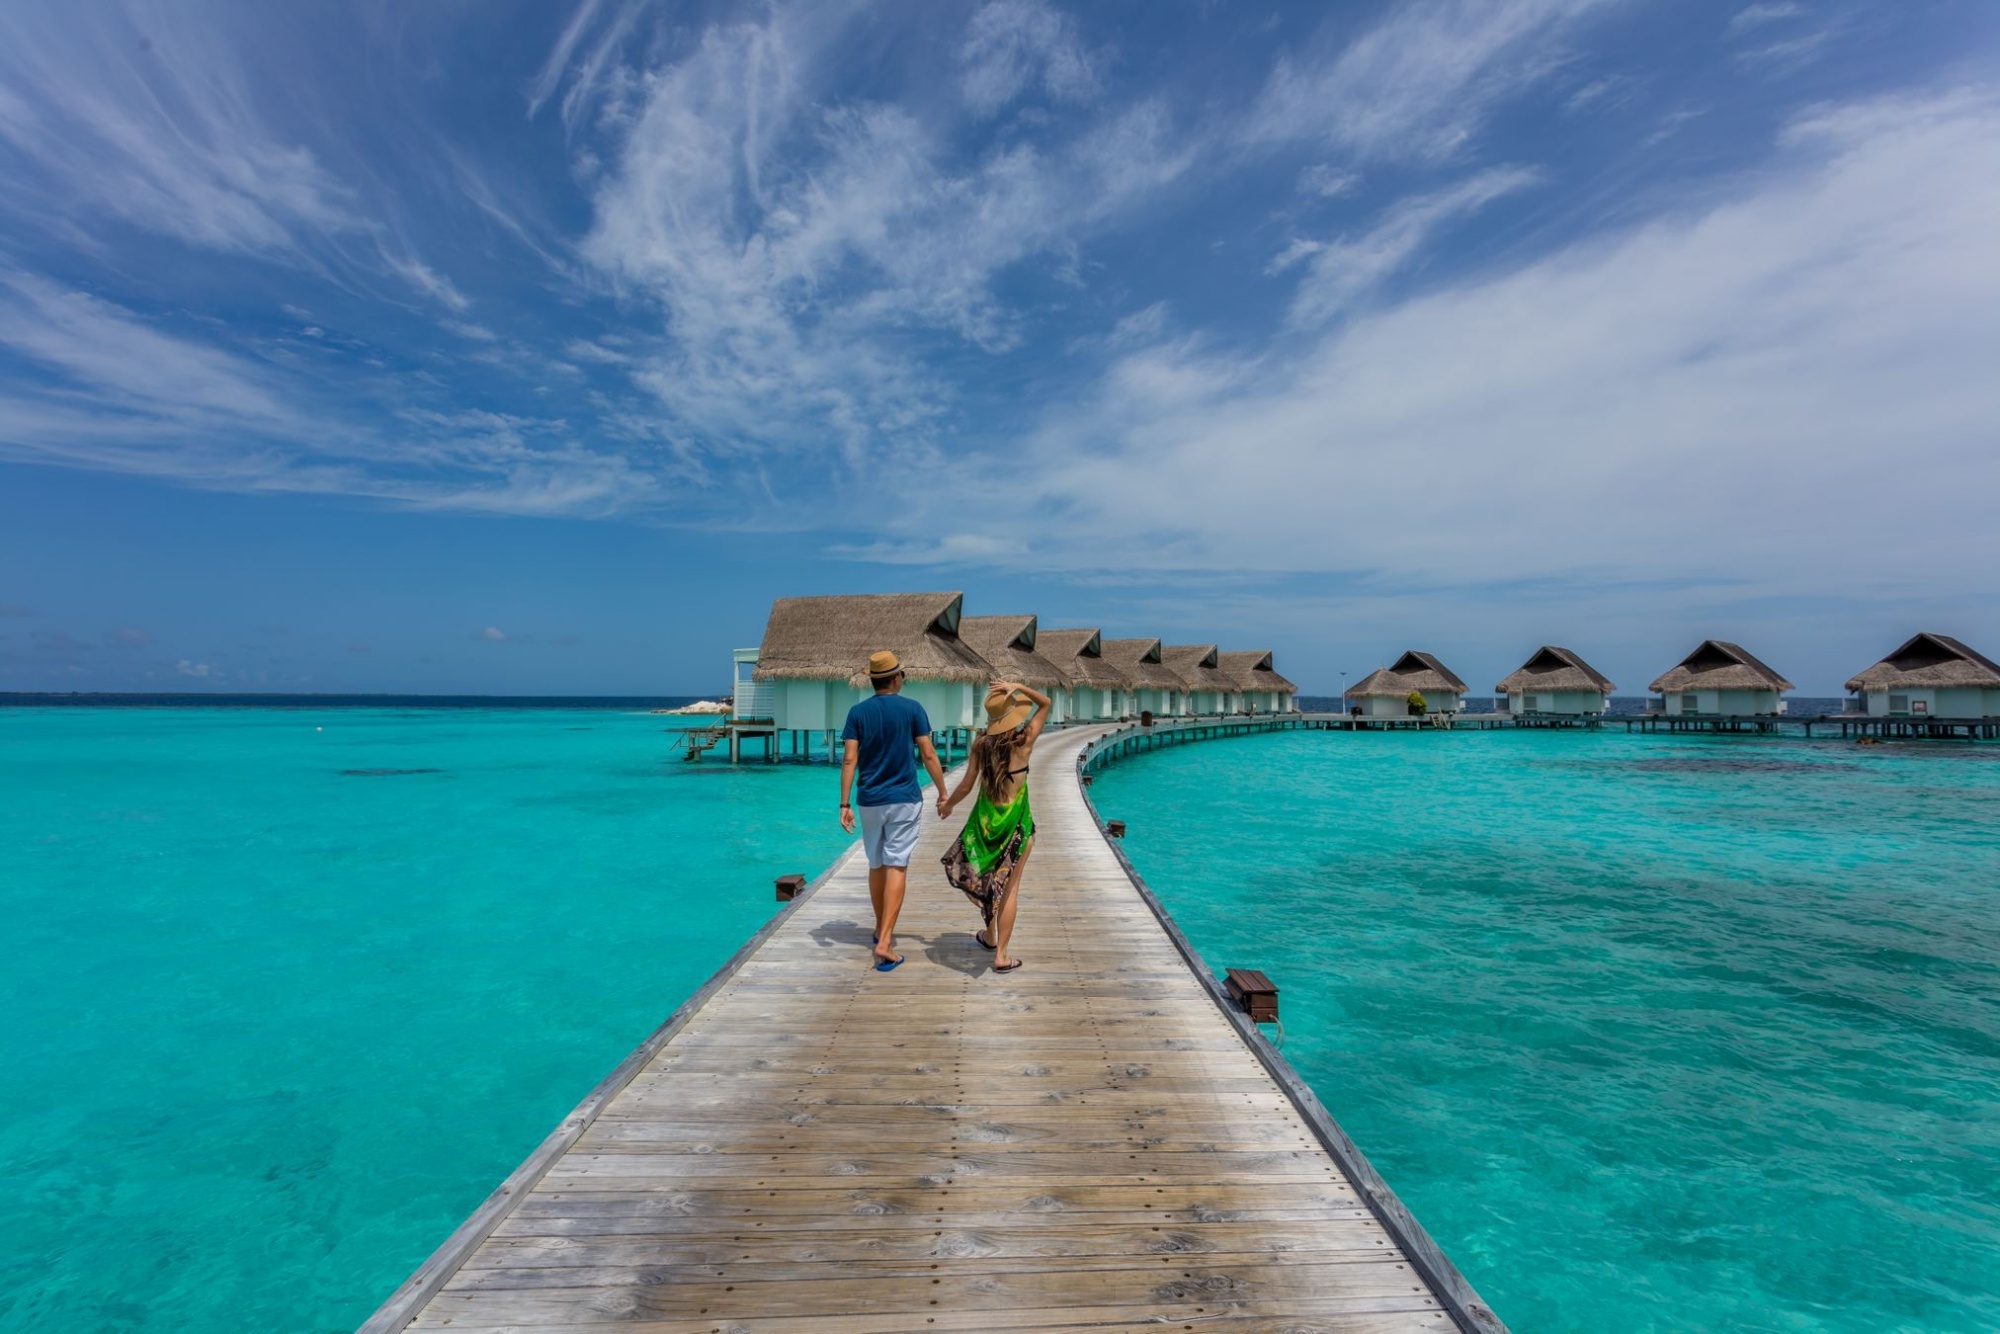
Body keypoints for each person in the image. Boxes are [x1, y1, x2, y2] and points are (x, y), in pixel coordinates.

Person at [839, 650, 948, 972]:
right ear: (897, 678)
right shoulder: (912, 708)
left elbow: (849, 760)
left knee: (876, 864)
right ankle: (885, 941)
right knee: (897, 864)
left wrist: (843, 804)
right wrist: (943, 791)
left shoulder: (857, 713)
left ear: (873, 680)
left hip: (869, 799)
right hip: (904, 798)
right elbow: (927, 754)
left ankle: (878, 928)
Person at [939, 680, 1050, 973]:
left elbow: (965, 785)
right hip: (1017, 830)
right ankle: (1000, 952)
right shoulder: (1024, 740)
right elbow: (1046, 703)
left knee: (983, 883)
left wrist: (948, 805)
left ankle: (990, 936)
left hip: (982, 830)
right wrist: (1019, 686)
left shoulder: (980, 746)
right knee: (1009, 891)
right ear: (1013, 715)